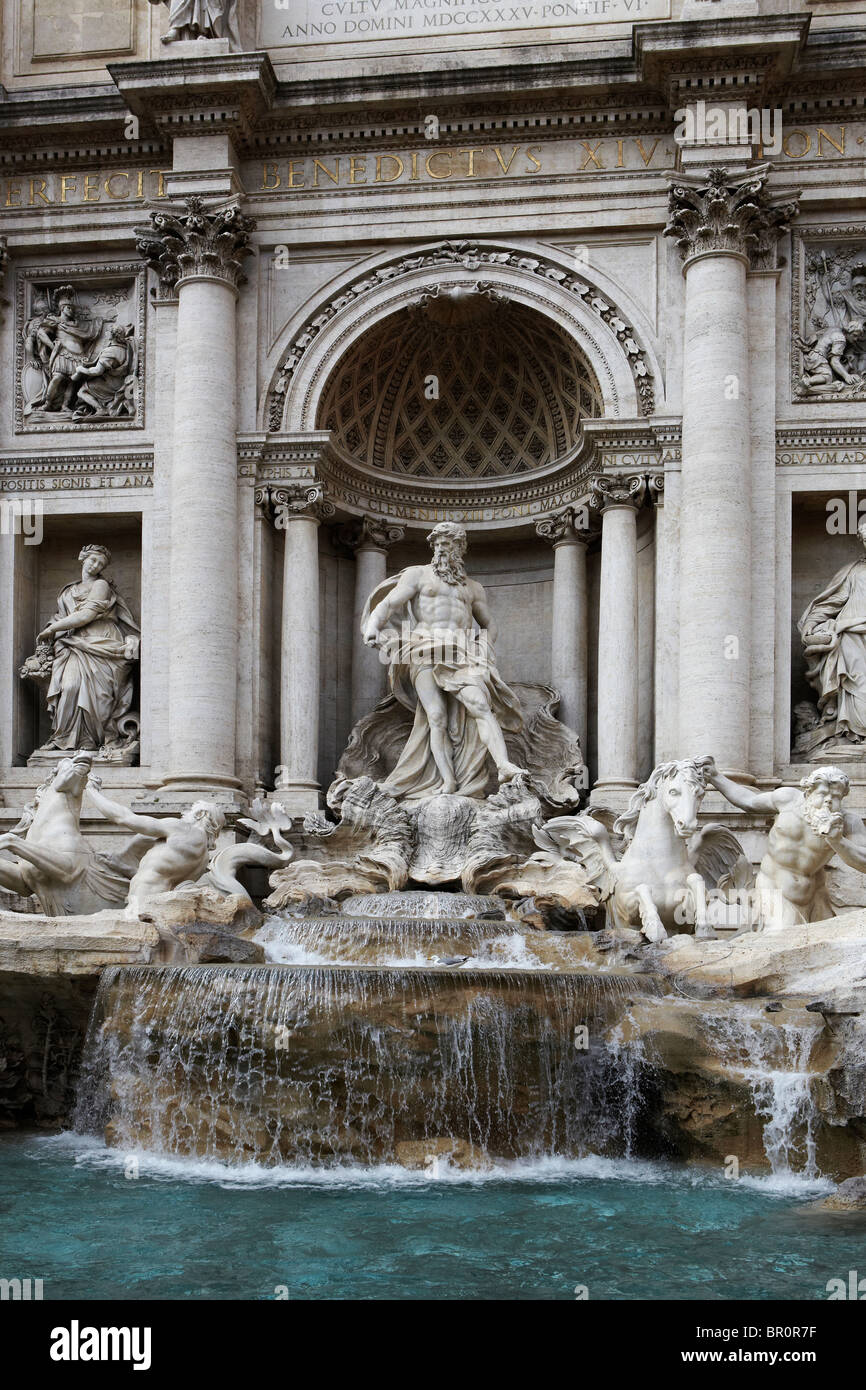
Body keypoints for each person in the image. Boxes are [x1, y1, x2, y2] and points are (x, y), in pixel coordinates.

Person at [361, 521, 525, 801]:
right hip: (424, 650)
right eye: (436, 544)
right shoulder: (417, 575)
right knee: (435, 717)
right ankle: (448, 781)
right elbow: (388, 604)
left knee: (480, 705)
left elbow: (489, 624)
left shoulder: (473, 588)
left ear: (460, 548)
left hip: (461, 655)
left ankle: (504, 765)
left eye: (447, 544)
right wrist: (372, 627)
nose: (440, 549)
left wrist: (483, 646)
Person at [703, 758, 866, 927]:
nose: (828, 800)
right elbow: (748, 801)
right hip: (774, 889)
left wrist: (838, 841)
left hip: (815, 894)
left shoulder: (848, 822)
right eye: (822, 794)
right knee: (783, 939)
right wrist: (715, 776)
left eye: (836, 796)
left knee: (827, 946)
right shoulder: (788, 800)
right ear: (809, 793)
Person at [34, 545, 140, 755]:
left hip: (101, 642)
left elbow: (86, 615)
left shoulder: (101, 585)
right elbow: (61, 616)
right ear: (83, 558)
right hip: (72, 644)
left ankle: (91, 742)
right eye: (93, 560)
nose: (96, 565)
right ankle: (62, 738)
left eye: (101, 564)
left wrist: (54, 628)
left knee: (99, 696)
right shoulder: (67, 591)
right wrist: (53, 628)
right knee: (70, 687)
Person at [86, 777, 225, 914]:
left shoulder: (183, 829)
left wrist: (92, 792)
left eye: (190, 811)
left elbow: (125, 818)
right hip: (162, 907)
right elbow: (163, 876)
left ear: (200, 814)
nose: (185, 814)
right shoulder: (204, 858)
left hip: (142, 902)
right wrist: (123, 866)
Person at [798, 517, 866, 742]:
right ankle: (854, 734)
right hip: (852, 636)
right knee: (857, 684)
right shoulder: (852, 572)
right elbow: (830, 604)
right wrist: (810, 626)